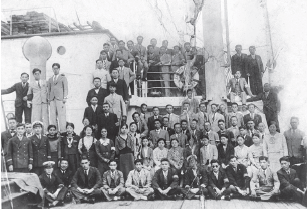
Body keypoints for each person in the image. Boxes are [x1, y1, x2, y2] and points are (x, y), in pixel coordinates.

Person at [48, 63, 68, 133]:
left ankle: (63, 131)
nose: (55, 70)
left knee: (61, 115)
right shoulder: (50, 79)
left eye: (57, 68)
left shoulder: (63, 78)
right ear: (52, 69)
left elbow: (65, 88)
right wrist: (49, 99)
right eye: (54, 68)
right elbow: (49, 90)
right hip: (52, 99)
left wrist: (65, 97)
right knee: (53, 116)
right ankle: (54, 131)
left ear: (59, 69)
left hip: (60, 99)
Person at [27, 68, 49, 133]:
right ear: (33, 75)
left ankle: (45, 132)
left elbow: (49, 90)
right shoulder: (31, 84)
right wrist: (29, 101)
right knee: (36, 117)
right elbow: (29, 93)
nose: (37, 75)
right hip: (36, 102)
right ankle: (35, 132)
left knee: (45, 117)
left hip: (44, 102)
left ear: (40, 74)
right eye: (35, 74)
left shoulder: (45, 82)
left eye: (38, 74)